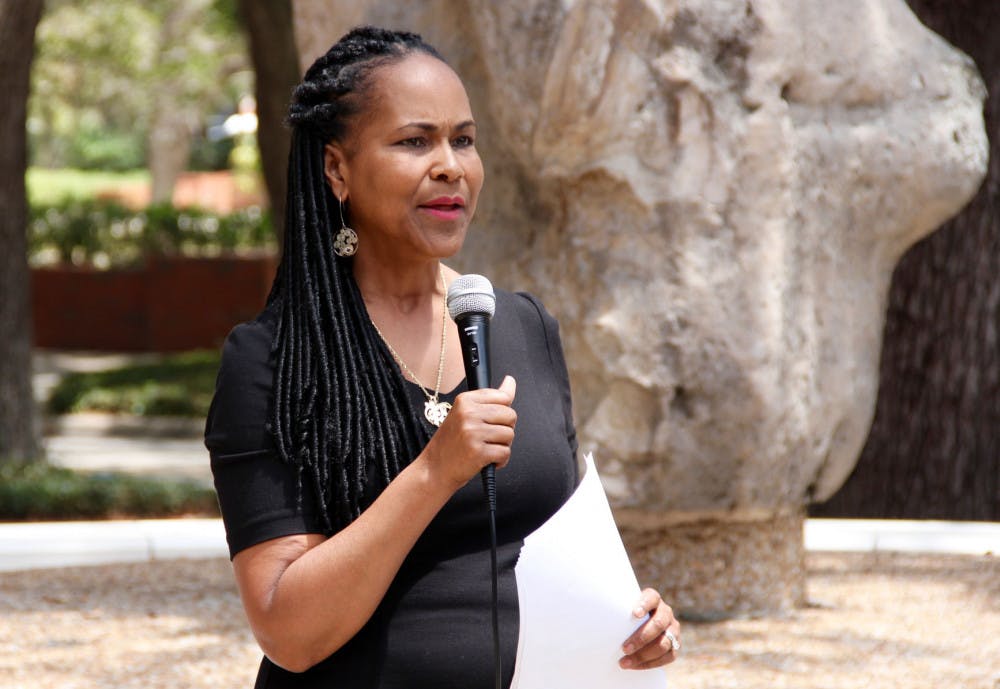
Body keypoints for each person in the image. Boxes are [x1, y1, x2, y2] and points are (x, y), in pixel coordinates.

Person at [204, 25, 681, 689]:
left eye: (463, 138)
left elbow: (557, 548)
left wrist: (633, 620)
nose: (450, 164)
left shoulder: (521, 326)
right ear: (337, 168)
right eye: (414, 140)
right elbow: (288, 630)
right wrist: (435, 471)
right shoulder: (272, 362)